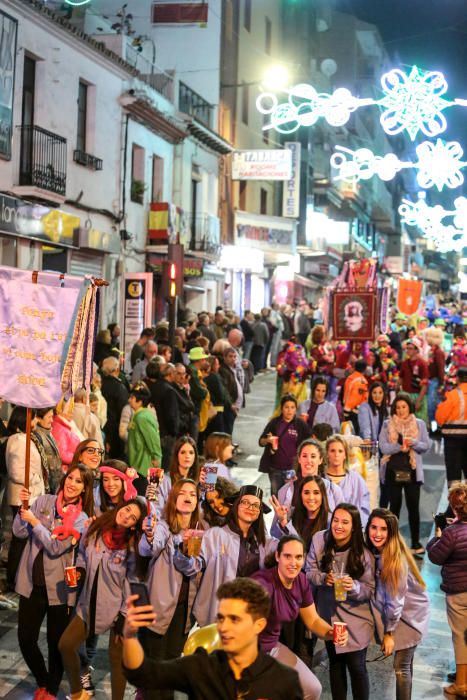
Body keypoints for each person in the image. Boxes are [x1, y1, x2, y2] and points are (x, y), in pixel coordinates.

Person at [122, 577, 304, 699]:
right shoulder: (200, 668)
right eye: (221, 618)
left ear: (259, 625)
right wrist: (130, 636)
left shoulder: (284, 681)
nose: (223, 627)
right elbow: (144, 674)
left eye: (235, 619)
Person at [13, 464, 93, 700]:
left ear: (84, 489)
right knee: (26, 639)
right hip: (31, 582)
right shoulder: (44, 501)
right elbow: (19, 532)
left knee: (55, 642)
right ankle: (43, 681)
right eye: (71, 478)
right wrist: (23, 509)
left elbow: (56, 546)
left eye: (79, 481)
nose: (72, 483)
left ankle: (51, 690)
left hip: (58, 588)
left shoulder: (81, 519)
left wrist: (36, 523)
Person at [59, 499, 145, 700]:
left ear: (134, 525)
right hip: (87, 605)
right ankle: (77, 693)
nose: (126, 516)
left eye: (132, 517)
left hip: (116, 611)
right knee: (66, 644)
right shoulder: (96, 529)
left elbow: (133, 582)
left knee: (117, 661)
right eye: (126, 510)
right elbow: (81, 554)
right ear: (120, 508)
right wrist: (79, 570)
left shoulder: (132, 547)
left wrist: (124, 616)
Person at [253, 536, 348, 700]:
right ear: (277, 557)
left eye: (298, 557)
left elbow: (313, 620)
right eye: (287, 556)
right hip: (250, 652)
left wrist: (332, 633)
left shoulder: (301, 580)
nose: (293, 563)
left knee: (313, 688)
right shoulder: (262, 584)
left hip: (273, 646)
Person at [138, 479, 205, 700]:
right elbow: (150, 547)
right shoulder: (164, 526)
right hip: (159, 607)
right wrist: (148, 534)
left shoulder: (200, 531)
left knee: (171, 664)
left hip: (184, 610)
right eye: (182, 493)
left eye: (192, 494)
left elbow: (193, 567)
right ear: (173, 498)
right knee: (156, 667)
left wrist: (186, 553)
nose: (187, 497)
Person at [176, 485, 276, 628]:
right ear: (236, 505)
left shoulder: (264, 542)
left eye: (256, 505)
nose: (250, 507)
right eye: (245, 502)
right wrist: (184, 549)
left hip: (249, 614)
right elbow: (191, 566)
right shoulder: (216, 535)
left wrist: (284, 522)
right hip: (219, 614)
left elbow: (293, 551)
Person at [306, 504, 375, 700]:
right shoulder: (320, 539)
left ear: (354, 527)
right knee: (335, 662)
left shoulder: (363, 553)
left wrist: (353, 586)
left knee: (356, 666)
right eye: (336, 520)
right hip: (330, 614)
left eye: (345, 522)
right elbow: (309, 571)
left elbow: (369, 590)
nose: (338, 526)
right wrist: (322, 578)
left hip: (356, 617)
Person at [366, 509, 430, 700]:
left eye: (383, 529)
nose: (377, 534)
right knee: (405, 665)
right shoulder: (384, 551)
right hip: (408, 614)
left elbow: (394, 603)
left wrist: (389, 634)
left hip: (409, 619)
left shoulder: (392, 560)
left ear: (391, 532)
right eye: (373, 527)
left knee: (401, 668)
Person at [427, 484, 467, 698]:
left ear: (455, 507)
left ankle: (461, 684)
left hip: (458, 593)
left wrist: (438, 535)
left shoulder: (451, 534)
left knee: (460, 637)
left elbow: (435, 556)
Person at [379, 393, 431, 557]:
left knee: (413, 508)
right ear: (394, 408)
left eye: (404, 407)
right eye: (398, 407)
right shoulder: (387, 424)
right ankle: (391, 544)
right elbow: (383, 447)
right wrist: (398, 447)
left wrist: (413, 442)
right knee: (393, 510)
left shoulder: (419, 424)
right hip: (392, 472)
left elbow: (426, 445)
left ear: (409, 407)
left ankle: (415, 543)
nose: (401, 410)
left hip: (413, 472)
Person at [5, 406, 42, 589]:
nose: (36, 422)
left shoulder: (22, 438)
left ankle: (15, 577)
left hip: (25, 494)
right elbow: (18, 473)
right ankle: (13, 578)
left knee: (20, 538)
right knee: (20, 539)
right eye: (33, 418)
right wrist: (36, 478)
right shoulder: (19, 441)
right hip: (23, 496)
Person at [273, 439, 344, 523]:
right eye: (304, 456)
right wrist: (282, 520)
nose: (308, 460)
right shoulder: (285, 491)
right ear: (299, 459)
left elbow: (343, 520)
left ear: (320, 460)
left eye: (313, 456)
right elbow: (276, 531)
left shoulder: (334, 490)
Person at [259, 394, 312, 496]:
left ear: (296, 409)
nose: (289, 410)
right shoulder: (274, 423)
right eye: (286, 407)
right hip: (275, 469)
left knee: (290, 497)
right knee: (276, 497)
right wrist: (268, 440)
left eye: (292, 407)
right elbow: (261, 441)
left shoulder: (300, 424)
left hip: (292, 469)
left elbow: (310, 442)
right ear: (282, 408)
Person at [324, 435, 370, 527]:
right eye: (332, 451)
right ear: (327, 454)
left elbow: (364, 509)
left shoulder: (356, 480)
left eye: (340, 451)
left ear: (345, 455)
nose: (336, 455)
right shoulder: (320, 478)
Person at [435, 366, 467, 485]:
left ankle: (456, 502)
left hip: (453, 441)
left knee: (454, 476)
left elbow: (440, 418)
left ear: (457, 379)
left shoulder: (452, 395)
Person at [128, 384, 162, 495]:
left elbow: (153, 439)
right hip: (140, 464)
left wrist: (157, 457)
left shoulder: (142, 417)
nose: (129, 400)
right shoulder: (140, 415)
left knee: (149, 497)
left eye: (132, 398)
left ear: (140, 401)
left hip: (145, 466)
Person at [147, 362, 180, 472]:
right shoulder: (169, 391)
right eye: (175, 372)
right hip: (167, 434)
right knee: (165, 467)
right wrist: (174, 432)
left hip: (154, 432)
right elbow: (171, 415)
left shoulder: (153, 387)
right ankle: (163, 488)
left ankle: (153, 487)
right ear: (170, 374)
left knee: (155, 466)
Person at [156, 436, 200, 517]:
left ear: (195, 456)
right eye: (183, 452)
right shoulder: (164, 480)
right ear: (176, 455)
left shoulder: (199, 481)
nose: (187, 456)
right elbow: (157, 509)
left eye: (191, 452)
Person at [101, 356, 130, 458]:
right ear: (117, 370)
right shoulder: (119, 388)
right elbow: (124, 410)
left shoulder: (99, 384)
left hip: (103, 428)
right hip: (116, 432)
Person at [398, 338, 429, 425]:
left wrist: (419, 400)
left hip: (417, 396)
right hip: (405, 395)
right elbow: (400, 379)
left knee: (418, 424)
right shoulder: (404, 363)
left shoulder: (422, 363)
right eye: (407, 348)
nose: (407, 350)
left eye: (410, 348)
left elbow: (425, 384)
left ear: (417, 350)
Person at [33, 406, 62, 494]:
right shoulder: (37, 436)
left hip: (55, 483)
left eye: (52, 417)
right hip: (47, 486)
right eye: (49, 417)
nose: (52, 420)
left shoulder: (48, 433)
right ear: (38, 418)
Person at [52, 399, 84, 472]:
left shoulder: (68, 425)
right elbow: (62, 455)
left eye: (72, 410)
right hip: (66, 470)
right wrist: (80, 457)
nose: (71, 413)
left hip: (72, 467)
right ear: (60, 411)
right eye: (69, 411)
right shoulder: (59, 429)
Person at [187, 347, 209, 442]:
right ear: (199, 360)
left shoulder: (191, 370)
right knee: (193, 438)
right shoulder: (193, 371)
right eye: (203, 359)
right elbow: (198, 391)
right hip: (194, 408)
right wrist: (205, 391)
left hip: (193, 407)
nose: (205, 361)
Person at [342, 360, 369, 434]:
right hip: (355, 413)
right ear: (365, 369)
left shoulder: (349, 378)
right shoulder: (362, 381)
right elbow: (361, 398)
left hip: (346, 410)